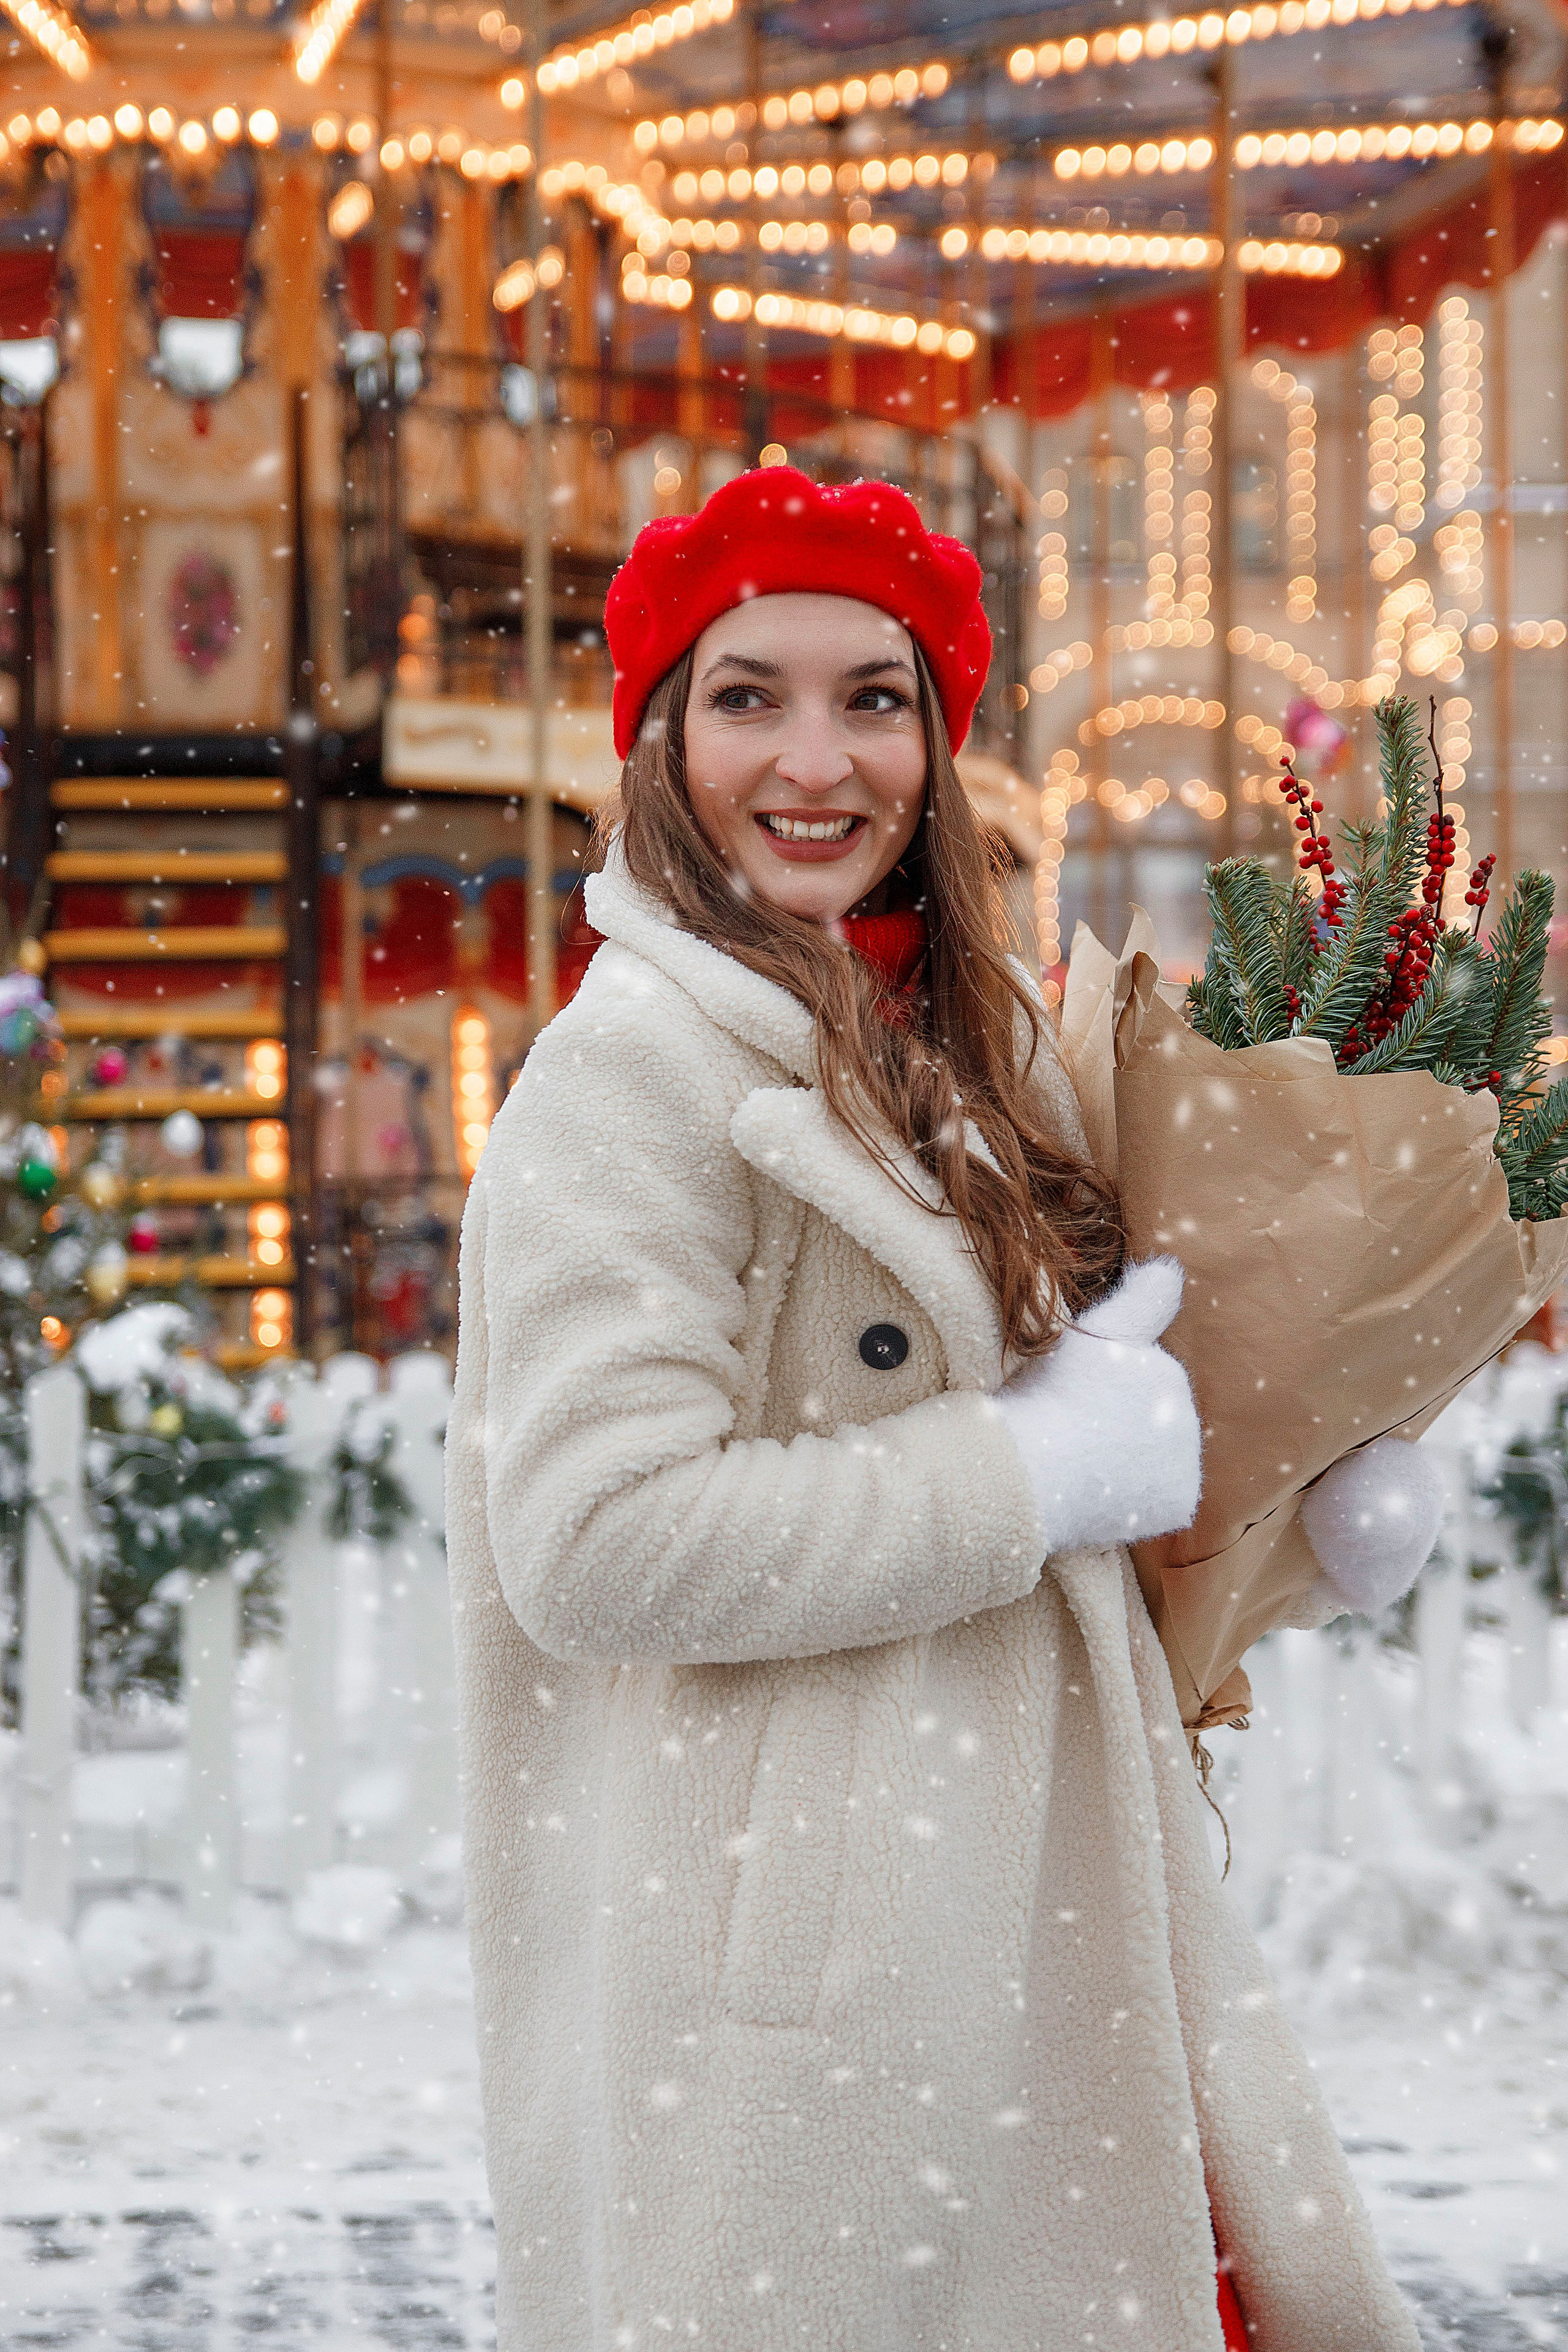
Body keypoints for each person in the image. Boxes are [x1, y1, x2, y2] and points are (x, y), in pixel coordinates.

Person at [447, 467, 1428, 2350]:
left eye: (870, 698)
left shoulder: (976, 1056)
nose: (814, 760)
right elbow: (594, 1543)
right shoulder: (628, 1082)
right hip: (820, 2006)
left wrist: (1305, 1504)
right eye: (748, 696)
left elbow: (1097, 1506)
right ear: (661, 741)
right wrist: (1026, 1469)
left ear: (935, 744)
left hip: (1045, 1937)